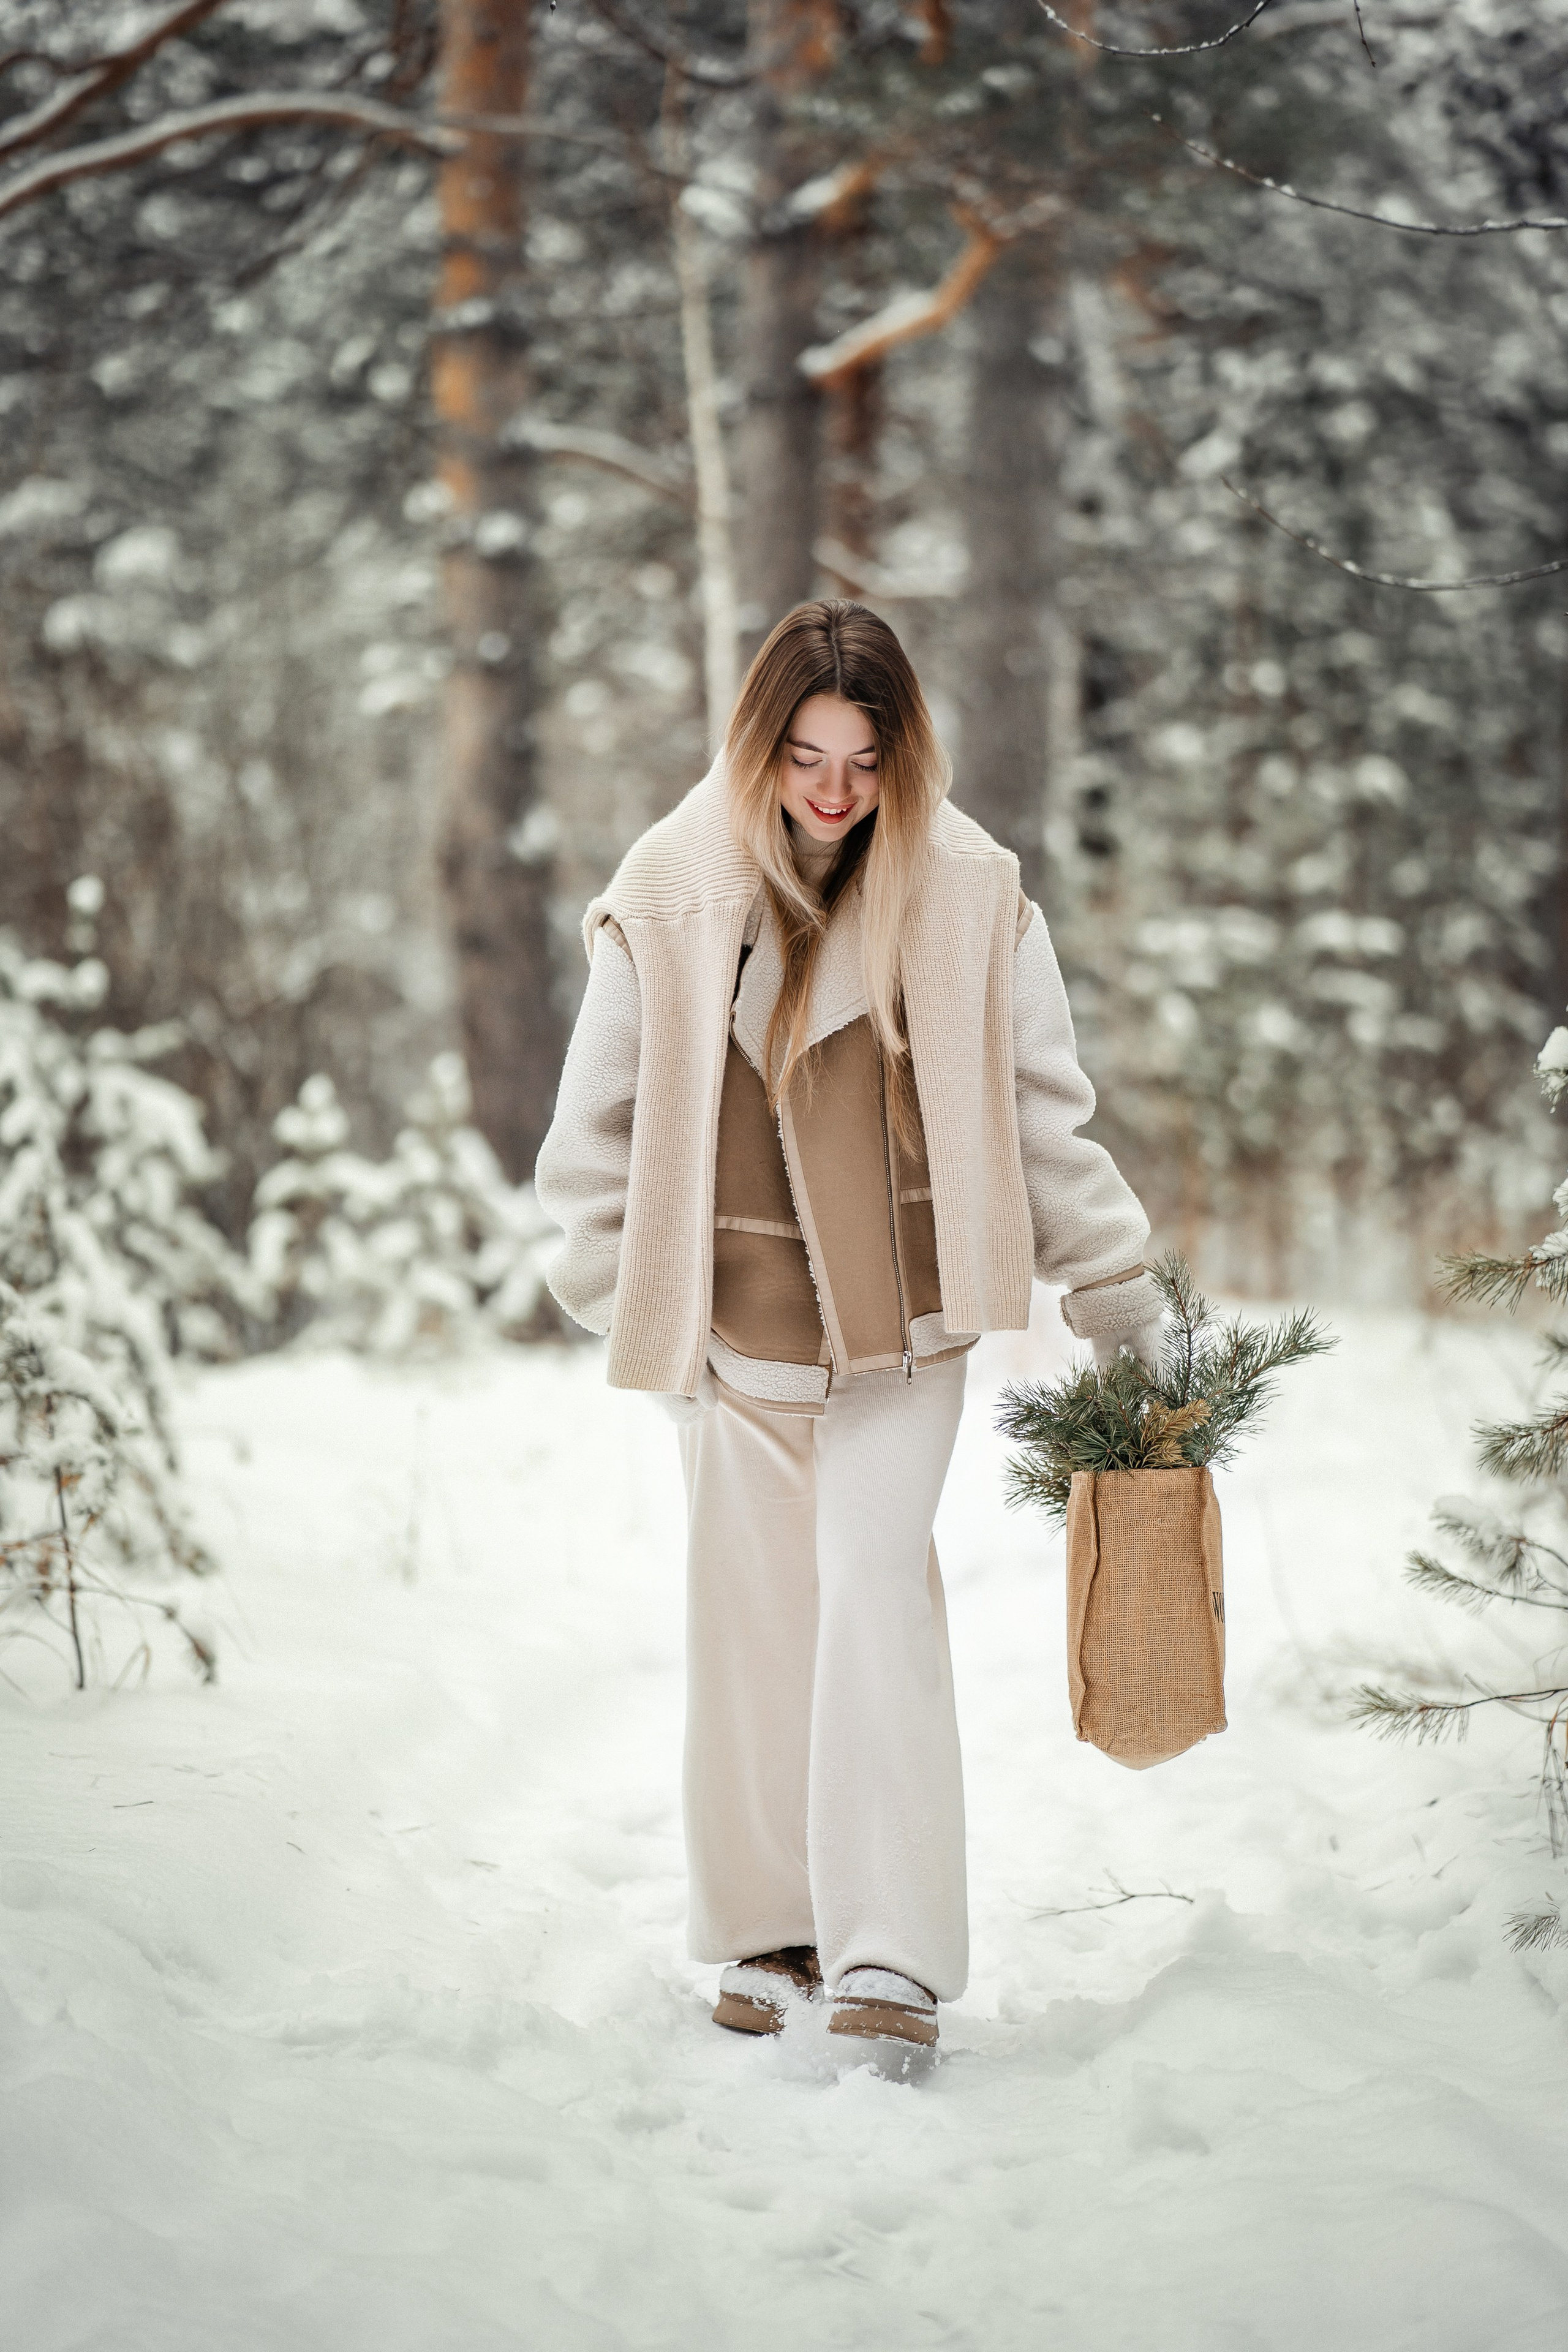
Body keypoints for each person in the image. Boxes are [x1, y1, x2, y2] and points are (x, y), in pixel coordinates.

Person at [536, 600, 1161, 2064]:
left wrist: (1116, 1294)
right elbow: (591, 1138)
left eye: (865, 761)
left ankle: (888, 1951)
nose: (833, 791)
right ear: (758, 744)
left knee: (872, 1589)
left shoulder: (973, 894)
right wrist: (630, 1306)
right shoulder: (668, 892)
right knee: (753, 1616)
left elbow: (1042, 1115)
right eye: (806, 757)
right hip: (733, 1333)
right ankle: (775, 1928)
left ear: (903, 755)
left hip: (907, 1325)